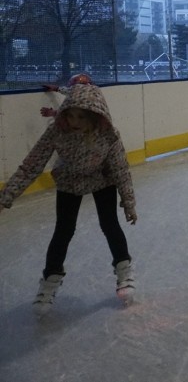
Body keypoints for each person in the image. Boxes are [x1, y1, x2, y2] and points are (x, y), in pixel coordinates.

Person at [0, 83, 138, 315]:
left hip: (102, 179)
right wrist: (6, 197)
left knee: (109, 224)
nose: (74, 122)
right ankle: (50, 281)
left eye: (81, 117)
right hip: (69, 180)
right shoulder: (57, 131)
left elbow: (120, 169)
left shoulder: (108, 135)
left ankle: (124, 272)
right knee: (63, 230)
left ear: (95, 116)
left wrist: (129, 203)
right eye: (71, 116)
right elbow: (31, 165)